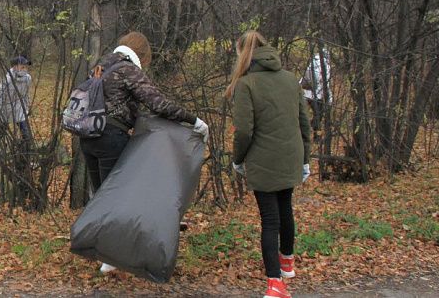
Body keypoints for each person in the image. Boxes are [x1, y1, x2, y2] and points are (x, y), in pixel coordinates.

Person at [80, 31, 207, 274]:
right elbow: (158, 103)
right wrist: (194, 120)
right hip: (110, 137)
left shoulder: (100, 66)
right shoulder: (128, 70)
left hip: (88, 137)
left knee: (100, 195)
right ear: (142, 54)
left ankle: (98, 249)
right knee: (115, 198)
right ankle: (109, 256)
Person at [226, 30, 311, 298]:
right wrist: (305, 159)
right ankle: (287, 264)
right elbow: (304, 123)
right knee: (285, 209)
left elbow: (243, 132)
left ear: (243, 53)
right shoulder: (290, 79)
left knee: (270, 220)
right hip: (291, 156)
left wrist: (238, 160)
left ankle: (275, 284)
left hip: (263, 160)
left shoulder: (246, 84)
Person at [0, 55, 33, 142]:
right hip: (6, 109)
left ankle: (27, 148)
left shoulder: (28, 78)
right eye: (22, 65)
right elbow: (0, 96)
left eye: (26, 65)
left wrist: (27, 107)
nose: (25, 67)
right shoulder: (7, 80)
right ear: (15, 66)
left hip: (20, 109)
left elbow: (26, 94)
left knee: (26, 134)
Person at [300, 47, 332, 133]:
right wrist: (329, 99)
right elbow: (325, 82)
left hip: (305, 93)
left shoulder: (313, 62)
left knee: (306, 114)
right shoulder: (325, 65)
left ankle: (309, 129)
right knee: (318, 114)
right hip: (316, 95)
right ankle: (315, 133)